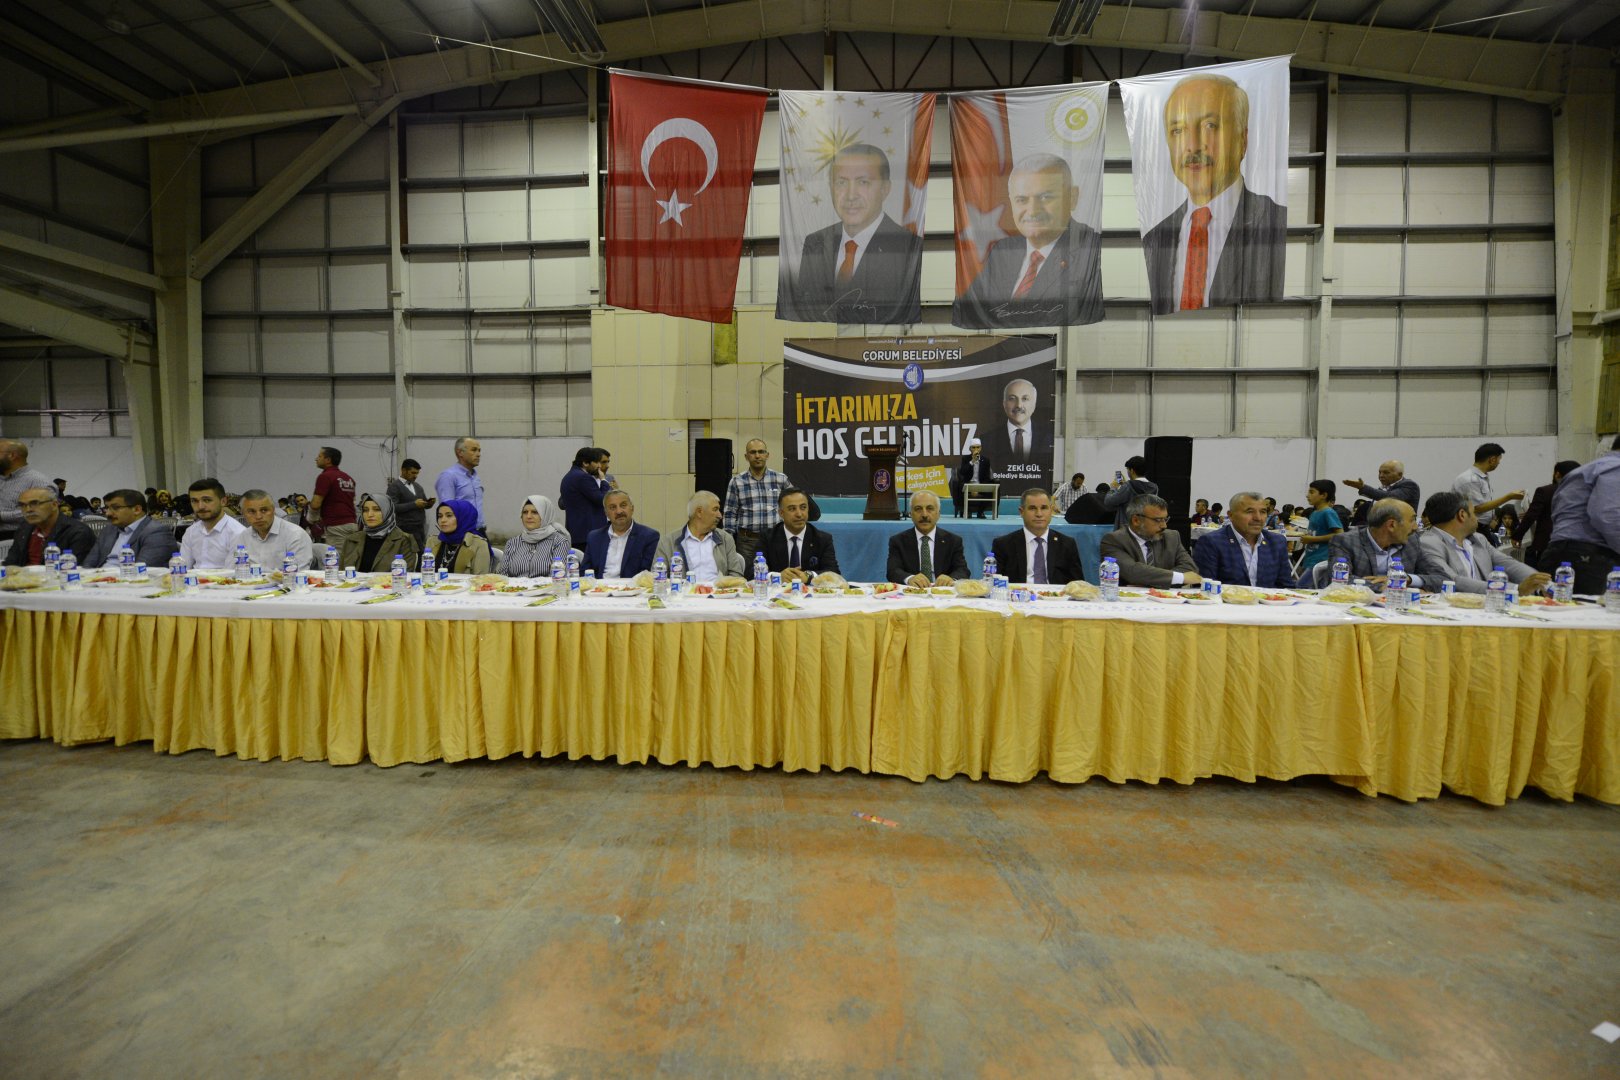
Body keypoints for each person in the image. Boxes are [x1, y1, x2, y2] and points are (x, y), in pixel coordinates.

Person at [1143, 73, 1286, 314]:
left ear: (1243, 140)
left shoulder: (1276, 224)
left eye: (1210, 126)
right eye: (1178, 130)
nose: (1192, 145)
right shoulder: (1155, 239)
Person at [956, 154, 1103, 328]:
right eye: (1022, 200)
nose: (1032, 211)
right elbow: (969, 311)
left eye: (1046, 197)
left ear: (1072, 197)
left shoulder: (1090, 249)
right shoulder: (1003, 251)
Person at [788, 144, 922, 324]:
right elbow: (806, 310)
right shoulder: (815, 243)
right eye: (841, 182)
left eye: (863, 182)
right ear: (830, 188)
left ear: (885, 189)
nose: (851, 196)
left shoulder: (908, 247)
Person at [1414, 491, 1549, 597]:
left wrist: (1543, 584)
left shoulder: (1479, 539)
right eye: (1474, 513)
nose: (1477, 518)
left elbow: (1509, 564)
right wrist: (1515, 589)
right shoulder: (1429, 543)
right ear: (1462, 515)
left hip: (1488, 606)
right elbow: (1451, 580)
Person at [1539, 435, 1620, 594]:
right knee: (1591, 609)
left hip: (1556, 551)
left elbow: (1557, 511)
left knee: (1555, 608)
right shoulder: (1616, 467)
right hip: (1588, 557)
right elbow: (1606, 516)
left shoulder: (1584, 470)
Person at [1192, 491, 1296, 589]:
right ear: (1231, 515)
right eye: (1249, 512)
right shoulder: (1212, 542)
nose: (1258, 518)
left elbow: (1286, 587)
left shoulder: (1277, 542)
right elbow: (1204, 588)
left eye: (1263, 512)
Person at [1099, 493, 1201, 588]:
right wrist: (1179, 578)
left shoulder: (1172, 537)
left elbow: (1190, 569)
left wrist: (1148, 579)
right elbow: (1132, 572)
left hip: (1166, 599)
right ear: (1136, 520)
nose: (1164, 526)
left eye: (1165, 519)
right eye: (1158, 520)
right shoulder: (1114, 540)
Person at [1324, 499, 1425, 591]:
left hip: (1399, 603)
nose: (1415, 527)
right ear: (1391, 525)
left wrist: (1408, 579)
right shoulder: (1345, 541)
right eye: (1412, 520)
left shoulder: (1411, 540)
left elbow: (1434, 575)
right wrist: (1394, 585)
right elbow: (1339, 580)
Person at [989, 488, 1084, 585]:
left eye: (1044, 508)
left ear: (1051, 511)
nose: (1039, 514)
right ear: (1021, 512)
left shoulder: (1067, 544)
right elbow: (993, 584)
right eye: (1032, 508)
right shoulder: (1003, 545)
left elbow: (1078, 585)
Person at [723, 438, 791, 565]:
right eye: (753, 452)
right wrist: (728, 541)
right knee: (748, 574)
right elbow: (730, 513)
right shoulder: (736, 481)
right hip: (747, 542)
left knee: (778, 572)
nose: (757, 456)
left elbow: (791, 506)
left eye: (761, 451)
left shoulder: (781, 479)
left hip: (775, 539)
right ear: (746, 456)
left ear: (767, 455)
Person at [657, 490, 746, 583]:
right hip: (683, 591)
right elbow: (657, 579)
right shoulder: (667, 542)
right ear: (699, 512)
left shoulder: (725, 539)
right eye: (715, 509)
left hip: (718, 591)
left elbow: (736, 577)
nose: (720, 515)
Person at [886, 490, 969, 586]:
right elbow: (893, 571)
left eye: (930, 508)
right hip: (913, 591)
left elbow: (962, 570)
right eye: (918, 509)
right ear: (911, 514)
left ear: (938, 514)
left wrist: (951, 579)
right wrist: (909, 578)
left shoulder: (953, 541)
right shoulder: (898, 541)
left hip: (942, 591)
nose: (924, 515)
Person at [83, 489, 179, 569]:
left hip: (129, 582)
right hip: (97, 580)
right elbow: (88, 564)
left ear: (137, 510)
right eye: (107, 508)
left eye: (115, 508)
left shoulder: (156, 532)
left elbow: (143, 571)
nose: (108, 513)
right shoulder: (108, 530)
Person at [761, 487, 839, 584]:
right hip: (777, 591)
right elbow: (751, 571)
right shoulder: (768, 537)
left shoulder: (822, 539)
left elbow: (833, 573)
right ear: (781, 513)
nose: (799, 514)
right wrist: (776, 576)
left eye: (803, 507)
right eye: (792, 509)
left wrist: (809, 576)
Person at [3, 486, 93, 567]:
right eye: (22, 505)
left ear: (54, 505)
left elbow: (75, 571)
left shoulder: (78, 532)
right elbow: (10, 563)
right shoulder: (25, 528)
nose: (28, 509)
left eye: (35, 503)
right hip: (21, 578)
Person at [1514, 459, 1579, 570]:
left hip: (1548, 543)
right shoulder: (1581, 493)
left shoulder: (1545, 491)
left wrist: (1517, 536)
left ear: (1557, 474)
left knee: (1546, 575)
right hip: (1575, 544)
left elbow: (1531, 516)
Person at [984, 378, 1052, 483]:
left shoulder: (1049, 438)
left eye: (1025, 399)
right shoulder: (987, 440)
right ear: (1004, 404)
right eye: (1012, 399)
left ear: (1034, 404)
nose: (1019, 405)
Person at [582, 488, 659, 580]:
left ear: (632, 508)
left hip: (633, 587)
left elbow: (647, 573)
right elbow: (584, 572)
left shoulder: (649, 536)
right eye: (612, 507)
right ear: (606, 513)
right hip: (600, 587)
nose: (619, 511)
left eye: (623, 505)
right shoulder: (594, 537)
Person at [339, 494, 420, 574]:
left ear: (387, 511)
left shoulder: (404, 540)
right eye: (365, 510)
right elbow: (341, 573)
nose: (370, 514)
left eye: (377, 509)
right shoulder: (351, 539)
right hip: (352, 583)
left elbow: (405, 576)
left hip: (388, 583)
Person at [177, 478, 248, 568]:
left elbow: (233, 572)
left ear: (223, 501)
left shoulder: (238, 533)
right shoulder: (191, 532)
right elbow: (182, 568)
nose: (200, 506)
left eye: (207, 500)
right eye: (194, 501)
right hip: (194, 577)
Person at [1452, 442, 1524, 531]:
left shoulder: (1482, 477)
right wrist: (1509, 497)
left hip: (1483, 527)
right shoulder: (1469, 480)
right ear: (1492, 459)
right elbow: (1477, 508)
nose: (1499, 463)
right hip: (1471, 529)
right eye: (1499, 460)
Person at [497, 495, 571, 578]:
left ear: (545, 515)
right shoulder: (512, 543)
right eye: (525, 512)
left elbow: (558, 577)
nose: (528, 516)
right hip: (514, 586)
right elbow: (502, 576)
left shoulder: (559, 542)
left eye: (535, 512)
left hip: (547, 586)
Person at [239, 488, 313, 570]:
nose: (258, 516)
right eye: (251, 511)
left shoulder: (295, 535)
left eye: (264, 510)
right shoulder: (243, 536)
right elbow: (235, 570)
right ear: (243, 513)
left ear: (274, 510)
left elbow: (298, 574)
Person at [0, 439, 56, 533]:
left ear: (12, 455)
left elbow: (41, 511)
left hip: (19, 535)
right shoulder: (2, 479)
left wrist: (2, 516)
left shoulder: (38, 481)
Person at [560, 446, 610, 550]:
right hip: (588, 534)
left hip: (577, 533)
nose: (599, 466)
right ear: (585, 463)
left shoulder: (569, 476)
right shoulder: (583, 477)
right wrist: (604, 481)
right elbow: (602, 500)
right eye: (597, 462)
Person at [308, 446, 357, 547]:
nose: (316, 459)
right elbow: (352, 501)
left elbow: (316, 504)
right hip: (352, 524)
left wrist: (311, 519)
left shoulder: (325, 477)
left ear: (328, 460)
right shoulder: (348, 478)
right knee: (350, 555)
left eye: (319, 456)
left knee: (336, 556)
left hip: (336, 526)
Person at [434, 436, 484, 534]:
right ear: (460, 452)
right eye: (474, 450)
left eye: (479, 450)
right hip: (461, 533)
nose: (478, 454)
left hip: (479, 530)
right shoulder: (448, 476)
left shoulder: (475, 476)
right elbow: (446, 510)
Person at [428, 499, 492, 575]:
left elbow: (480, 579)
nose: (443, 520)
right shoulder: (432, 541)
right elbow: (424, 573)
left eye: (449, 515)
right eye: (440, 516)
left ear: (463, 517)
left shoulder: (478, 544)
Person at [1297, 479, 1344, 574]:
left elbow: (1340, 535)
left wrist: (1312, 539)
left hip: (1322, 560)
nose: (1307, 495)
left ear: (1324, 495)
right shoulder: (1314, 513)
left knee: (1303, 583)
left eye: (1311, 492)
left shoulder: (1328, 512)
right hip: (1311, 557)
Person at [386, 458, 435, 546]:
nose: (415, 476)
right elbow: (392, 507)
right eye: (413, 473)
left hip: (420, 527)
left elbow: (422, 504)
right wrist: (414, 504)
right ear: (403, 470)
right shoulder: (394, 487)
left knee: (421, 551)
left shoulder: (418, 486)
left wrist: (428, 504)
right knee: (410, 552)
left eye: (417, 473)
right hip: (405, 528)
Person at [1102, 456, 1159, 529]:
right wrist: (1123, 485)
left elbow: (1109, 502)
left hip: (1127, 529)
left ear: (1132, 470)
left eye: (1127, 469)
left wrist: (1113, 488)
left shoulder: (1128, 486)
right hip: (1145, 527)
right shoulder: (1154, 487)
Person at [1343, 460, 1420, 512]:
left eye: (1386, 472)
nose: (1381, 475)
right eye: (1380, 472)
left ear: (1399, 474)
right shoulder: (1383, 488)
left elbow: (1389, 497)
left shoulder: (1409, 485)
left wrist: (1363, 487)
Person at [951, 437, 993, 518]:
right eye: (973, 447)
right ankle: (966, 511)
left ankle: (980, 512)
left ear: (980, 448)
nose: (976, 449)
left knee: (989, 491)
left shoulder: (986, 460)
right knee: (960, 488)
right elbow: (962, 472)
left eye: (978, 447)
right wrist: (972, 461)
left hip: (980, 484)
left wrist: (979, 488)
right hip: (968, 483)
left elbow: (986, 477)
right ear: (970, 449)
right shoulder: (965, 458)